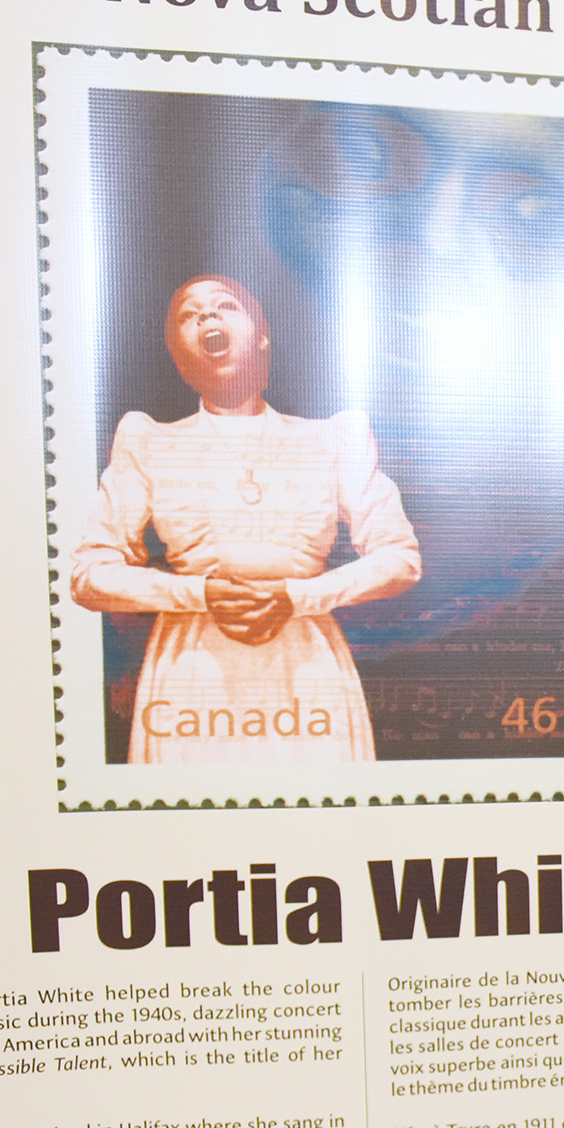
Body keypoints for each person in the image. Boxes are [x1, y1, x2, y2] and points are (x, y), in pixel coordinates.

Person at [71, 274, 422, 763]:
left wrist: (297, 597)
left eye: (224, 306)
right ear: (179, 357)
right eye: (189, 315)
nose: (207, 317)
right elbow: (89, 576)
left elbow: (400, 559)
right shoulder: (148, 441)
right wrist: (198, 594)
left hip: (307, 674)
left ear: (261, 335)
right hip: (192, 678)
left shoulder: (333, 438)